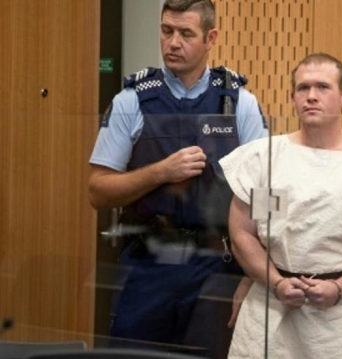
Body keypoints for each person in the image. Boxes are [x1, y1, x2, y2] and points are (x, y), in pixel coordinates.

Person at [88, 0, 266, 357]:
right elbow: (98, 191)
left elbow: (264, 196)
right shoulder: (131, 100)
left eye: (186, 33)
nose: (173, 42)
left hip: (216, 262)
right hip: (148, 260)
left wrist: (254, 275)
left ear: (210, 37)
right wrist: (160, 173)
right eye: (167, 30)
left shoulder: (240, 103)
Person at [218, 53, 342, 359]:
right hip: (271, 309)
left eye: (323, 87)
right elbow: (244, 234)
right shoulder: (265, 158)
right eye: (303, 88)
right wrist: (276, 283)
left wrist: (339, 288)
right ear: (292, 98)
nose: (311, 96)